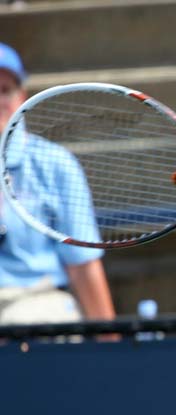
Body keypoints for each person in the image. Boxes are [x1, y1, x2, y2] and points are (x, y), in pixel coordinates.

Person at [0, 42, 116, 325]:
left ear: (21, 97)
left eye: (3, 90)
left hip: (35, 302)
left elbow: (83, 265)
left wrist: (110, 341)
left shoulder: (57, 163)